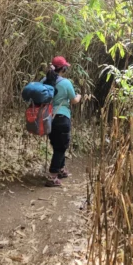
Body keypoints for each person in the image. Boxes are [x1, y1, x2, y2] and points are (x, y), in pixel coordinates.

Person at [43, 56, 81, 187]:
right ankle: (52, 175)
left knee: (58, 144)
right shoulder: (66, 83)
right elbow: (74, 100)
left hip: (47, 118)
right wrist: (79, 97)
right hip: (61, 118)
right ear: (63, 69)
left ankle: (61, 169)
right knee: (61, 146)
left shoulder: (44, 81)